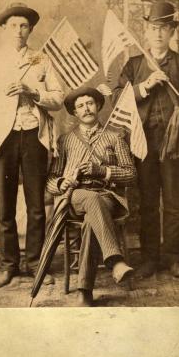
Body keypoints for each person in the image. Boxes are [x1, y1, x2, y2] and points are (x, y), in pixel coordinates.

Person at [111, 1, 179, 279]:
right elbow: (116, 98)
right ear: (146, 31)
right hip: (144, 143)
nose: (158, 34)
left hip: (175, 145)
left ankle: (174, 256)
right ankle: (150, 257)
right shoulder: (135, 65)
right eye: (153, 28)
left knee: (174, 202)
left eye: (164, 28)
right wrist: (145, 86)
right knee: (149, 201)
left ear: (172, 31)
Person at [0, 3, 64, 288]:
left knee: (37, 205)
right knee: (5, 206)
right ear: (4, 29)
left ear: (30, 30)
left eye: (24, 26)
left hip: (34, 137)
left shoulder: (42, 59)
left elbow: (59, 98)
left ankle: (35, 262)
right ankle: (9, 264)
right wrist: (2, 111)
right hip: (4, 138)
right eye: (13, 25)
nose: (18, 31)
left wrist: (32, 91)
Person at [46, 87, 136, 306]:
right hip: (75, 196)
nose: (86, 109)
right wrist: (62, 183)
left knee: (91, 220)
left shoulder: (115, 136)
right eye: (80, 106)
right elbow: (50, 181)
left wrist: (102, 171)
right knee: (90, 200)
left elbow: (131, 173)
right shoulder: (65, 141)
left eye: (90, 103)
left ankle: (84, 290)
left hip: (106, 195)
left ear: (97, 106)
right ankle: (115, 261)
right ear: (75, 113)